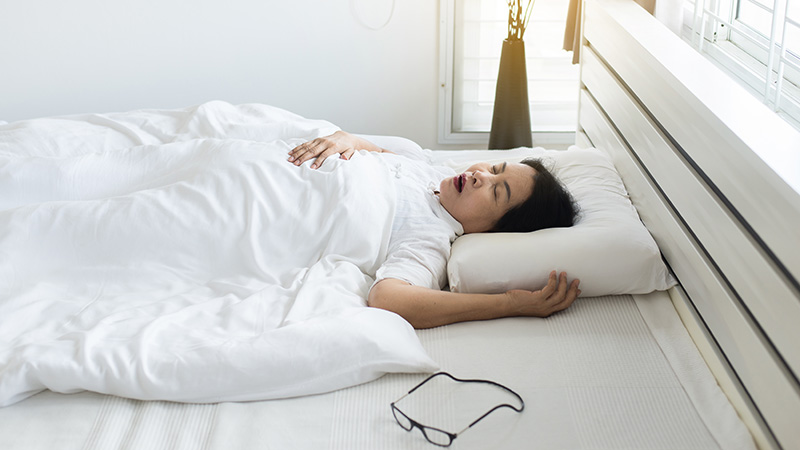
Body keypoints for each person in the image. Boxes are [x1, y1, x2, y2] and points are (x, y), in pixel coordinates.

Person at [289, 131, 581, 329]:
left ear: (491, 231)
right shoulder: (431, 172)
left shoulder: (431, 239)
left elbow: (387, 298)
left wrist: (510, 304)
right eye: (494, 169)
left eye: (496, 192)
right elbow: (377, 151)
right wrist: (347, 139)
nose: (480, 176)